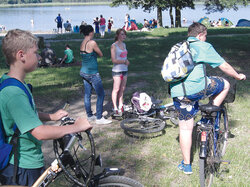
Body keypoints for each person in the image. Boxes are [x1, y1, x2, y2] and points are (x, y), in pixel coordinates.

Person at [0, 29, 92, 186]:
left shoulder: (14, 82)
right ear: (21, 55)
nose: (40, 57)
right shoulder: (14, 92)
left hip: (28, 160)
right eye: (35, 53)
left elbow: (26, 114)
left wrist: (51, 116)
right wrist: (75, 127)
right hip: (21, 166)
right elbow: (40, 133)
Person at [169, 22, 246, 174]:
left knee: (184, 129)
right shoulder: (203, 46)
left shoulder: (178, 46)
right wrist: (238, 75)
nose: (205, 39)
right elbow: (223, 66)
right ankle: (210, 115)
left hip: (178, 91)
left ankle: (186, 165)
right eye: (205, 36)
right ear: (200, 35)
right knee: (224, 84)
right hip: (197, 88)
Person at [79, 25, 112, 125]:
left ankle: (89, 115)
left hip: (83, 72)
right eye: (93, 32)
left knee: (87, 94)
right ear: (90, 33)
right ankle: (99, 118)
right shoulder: (92, 43)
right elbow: (100, 54)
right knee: (101, 94)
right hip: (92, 73)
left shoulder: (82, 43)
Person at [111, 29, 130, 115]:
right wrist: (124, 62)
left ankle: (120, 105)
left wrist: (127, 61)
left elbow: (124, 56)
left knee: (122, 89)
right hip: (117, 71)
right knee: (116, 89)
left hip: (125, 69)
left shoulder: (124, 45)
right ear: (118, 35)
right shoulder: (114, 46)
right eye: (122, 34)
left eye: (124, 35)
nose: (124, 36)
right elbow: (114, 60)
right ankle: (115, 107)